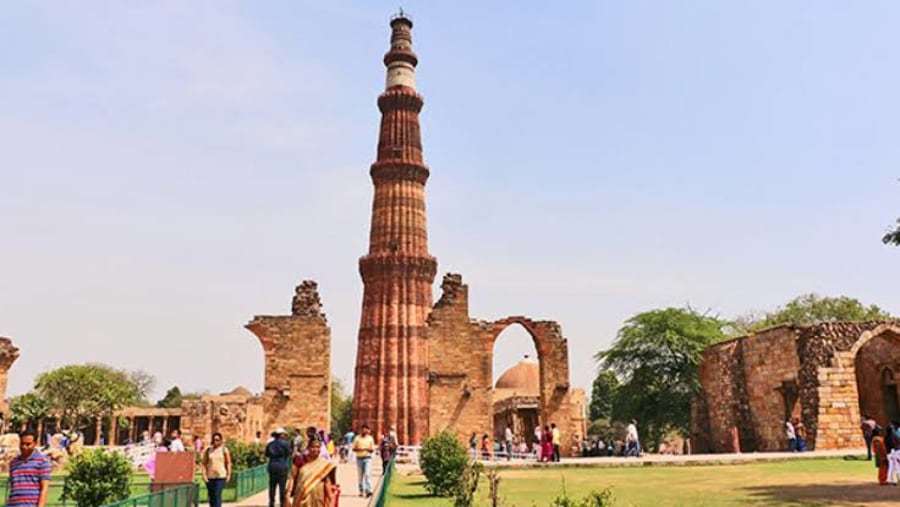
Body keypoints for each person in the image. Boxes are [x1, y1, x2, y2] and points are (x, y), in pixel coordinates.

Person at [9, 430, 51, 507]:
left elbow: (44, 488)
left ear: (35, 443)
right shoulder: (14, 462)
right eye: (22, 444)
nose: (24, 447)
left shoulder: (43, 461)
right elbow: (13, 487)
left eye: (28, 444)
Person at [288, 439, 336, 507]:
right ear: (308, 448)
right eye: (313, 447)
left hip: (318, 497)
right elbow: (292, 477)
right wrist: (288, 493)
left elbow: (327, 481)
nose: (316, 449)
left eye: (318, 447)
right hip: (301, 497)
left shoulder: (323, 463)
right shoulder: (300, 460)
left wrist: (330, 497)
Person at [201, 433, 232, 507]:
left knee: (217, 494)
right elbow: (204, 463)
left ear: (221, 441)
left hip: (220, 476)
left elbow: (228, 463)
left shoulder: (224, 450)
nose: (215, 441)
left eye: (217, 440)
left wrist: (228, 474)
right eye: (214, 440)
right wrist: (204, 475)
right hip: (210, 476)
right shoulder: (209, 450)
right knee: (211, 496)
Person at [266, 428, 293, 507]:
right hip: (282, 465)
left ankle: (271, 502)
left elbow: (267, 454)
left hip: (272, 465)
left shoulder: (270, 444)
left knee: (272, 485)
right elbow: (288, 453)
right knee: (282, 486)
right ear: (281, 435)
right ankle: (282, 502)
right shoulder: (285, 444)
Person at [351, 424, 375, 498]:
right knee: (360, 476)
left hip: (367, 458)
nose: (364, 431)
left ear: (368, 430)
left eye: (366, 429)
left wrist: (367, 449)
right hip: (359, 458)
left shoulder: (370, 439)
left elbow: (372, 449)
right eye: (363, 429)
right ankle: (361, 490)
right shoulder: (357, 438)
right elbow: (353, 449)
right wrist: (361, 449)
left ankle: (369, 490)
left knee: (367, 474)